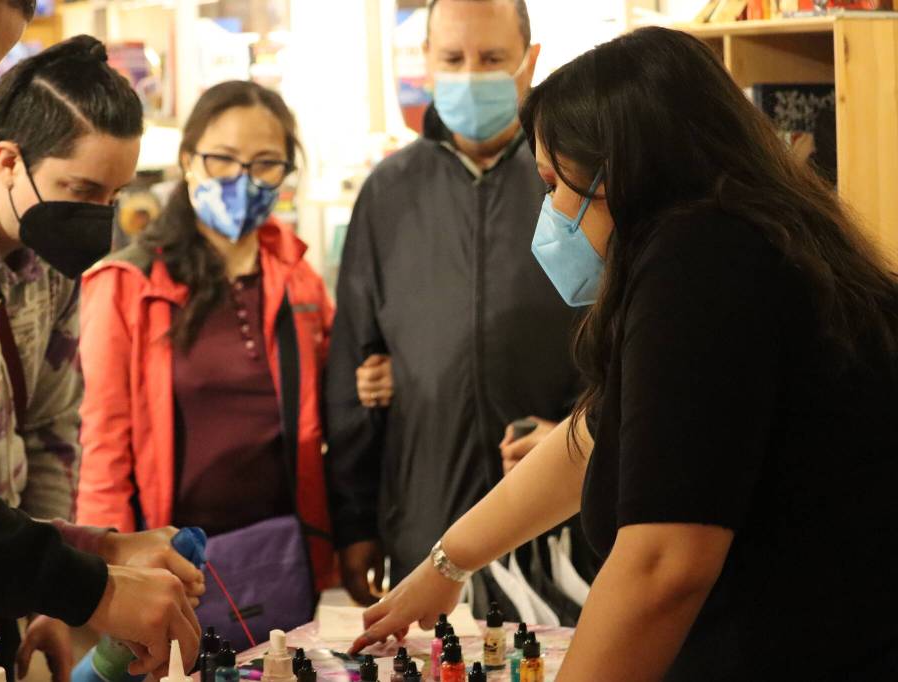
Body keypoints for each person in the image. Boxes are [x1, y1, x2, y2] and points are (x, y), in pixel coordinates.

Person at [352, 26, 898, 681]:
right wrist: (448, 563)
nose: (550, 212)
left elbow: (663, 560)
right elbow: (594, 435)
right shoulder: (748, 241)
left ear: (618, 174)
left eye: (553, 183)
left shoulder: (700, 264)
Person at [0, 2, 200, 675]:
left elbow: (52, 427)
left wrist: (50, 596)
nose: (96, 218)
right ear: (8, 161)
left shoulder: (47, 249)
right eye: (81, 189)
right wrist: (83, 579)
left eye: (113, 196)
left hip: (1, 576)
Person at [325, 0, 584, 607]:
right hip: (425, 528)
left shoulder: (574, 181)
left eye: (492, 58)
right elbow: (352, 367)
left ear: (529, 62)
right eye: (453, 58)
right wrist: (355, 523)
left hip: (561, 525)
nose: (471, 74)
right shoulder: (387, 194)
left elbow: (620, 340)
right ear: (427, 62)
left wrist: (579, 439)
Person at [76, 81, 338, 615]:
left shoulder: (298, 280)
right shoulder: (127, 284)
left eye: (266, 163)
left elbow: (334, 400)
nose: (243, 178)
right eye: (223, 158)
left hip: (283, 555)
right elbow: (104, 446)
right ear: (188, 161)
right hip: (172, 563)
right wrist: (109, 577)